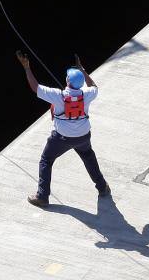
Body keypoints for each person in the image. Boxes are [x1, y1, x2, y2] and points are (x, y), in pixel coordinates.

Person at [16, 50, 110, 206]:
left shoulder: (58, 96)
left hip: (61, 138)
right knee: (88, 156)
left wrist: (26, 67)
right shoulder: (86, 95)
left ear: (67, 81)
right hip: (83, 136)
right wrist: (82, 70)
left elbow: (35, 87)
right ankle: (102, 187)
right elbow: (93, 86)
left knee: (46, 160)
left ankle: (42, 196)